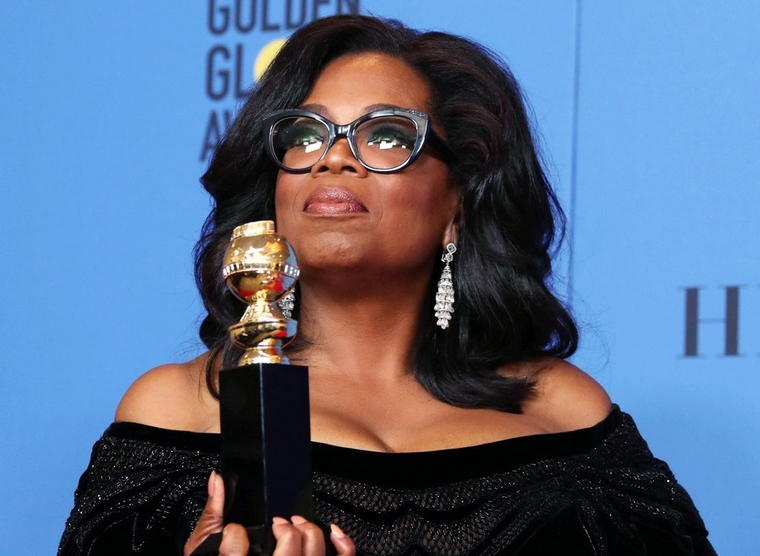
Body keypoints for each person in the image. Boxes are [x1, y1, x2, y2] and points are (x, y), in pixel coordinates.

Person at [58, 14, 716, 556]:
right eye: (306, 134)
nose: (334, 156)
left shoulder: (565, 414)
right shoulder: (180, 411)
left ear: (458, 198)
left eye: (388, 135)